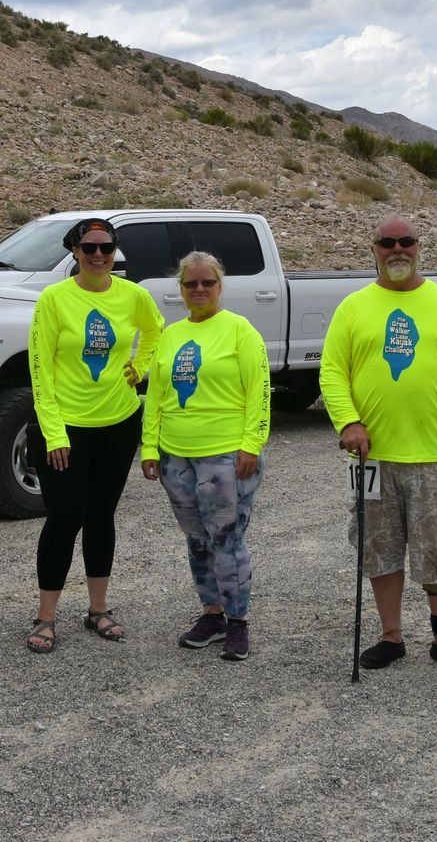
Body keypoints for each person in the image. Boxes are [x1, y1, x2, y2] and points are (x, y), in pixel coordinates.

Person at [322, 215, 437, 673]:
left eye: (406, 241)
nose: (396, 249)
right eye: (387, 243)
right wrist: (348, 422)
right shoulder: (354, 307)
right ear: (374, 248)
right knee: (379, 547)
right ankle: (391, 635)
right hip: (373, 455)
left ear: (420, 247)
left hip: (436, 454)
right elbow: (332, 372)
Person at [26, 217, 164, 652]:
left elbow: (156, 332)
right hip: (66, 426)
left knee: (101, 516)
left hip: (118, 424)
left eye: (107, 247)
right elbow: (39, 368)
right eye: (90, 248)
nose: (99, 255)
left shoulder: (134, 295)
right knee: (65, 517)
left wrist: (140, 368)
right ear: (75, 252)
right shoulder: (54, 299)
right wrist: (54, 433)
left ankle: (98, 609)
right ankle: (45, 616)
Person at [140, 251, 271, 661]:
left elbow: (259, 391)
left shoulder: (239, 330)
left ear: (220, 286)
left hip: (226, 455)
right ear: (180, 288)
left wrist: (252, 444)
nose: (199, 289)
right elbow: (157, 395)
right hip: (176, 456)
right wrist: (149, 446)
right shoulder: (171, 335)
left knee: (227, 539)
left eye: (207, 283)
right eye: (190, 283)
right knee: (197, 540)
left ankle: (238, 622)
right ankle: (210, 614)